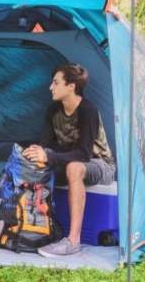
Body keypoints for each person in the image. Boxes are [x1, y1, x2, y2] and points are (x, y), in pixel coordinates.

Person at [22, 64, 116, 257]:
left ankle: (73, 241)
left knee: (74, 167)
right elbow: (47, 145)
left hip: (100, 164)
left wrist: (48, 155)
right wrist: (37, 152)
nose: (51, 87)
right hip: (67, 162)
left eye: (56, 83)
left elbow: (83, 154)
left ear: (71, 86)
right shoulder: (53, 110)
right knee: (33, 164)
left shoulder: (88, 110)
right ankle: (33, 229)